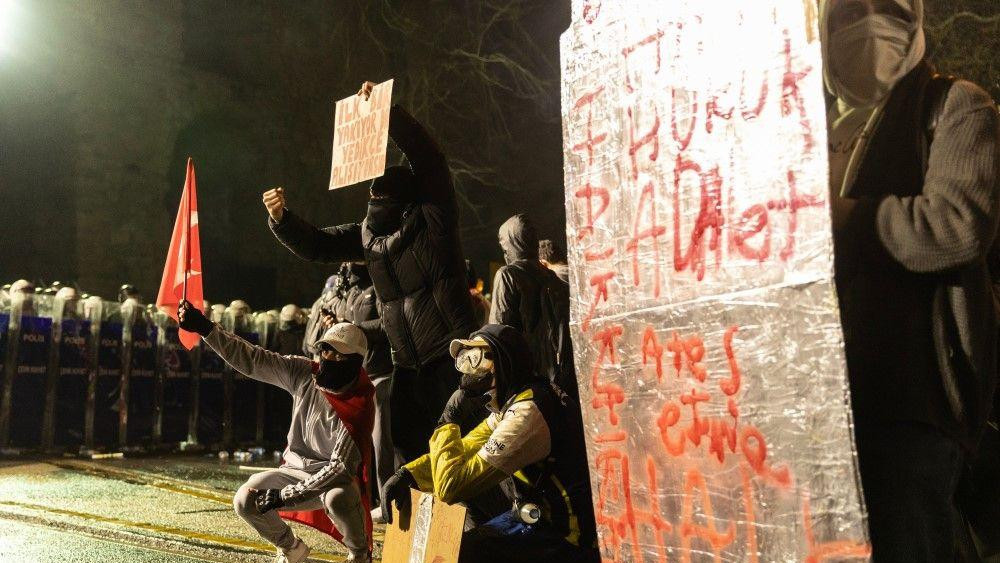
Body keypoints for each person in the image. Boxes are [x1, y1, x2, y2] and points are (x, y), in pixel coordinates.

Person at [821, 0, 1000, 560]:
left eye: (891, 9)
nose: (871, 23)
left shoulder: (955, 107)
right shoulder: (799, 132)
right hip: (821, 400)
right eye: (850, 12)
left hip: (911, 401)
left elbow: (956, 226)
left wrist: (843, 218)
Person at [264, 82, 475, 463]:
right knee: (421, 454)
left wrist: (385, 113)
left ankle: (470, 521)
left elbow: (427, 160)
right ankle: (426, 523)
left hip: (450, 358)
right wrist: (282, 220)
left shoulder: (431, 221)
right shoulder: (373, 233)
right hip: (413, 364)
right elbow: (319, 245)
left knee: (445, 452)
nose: (374, 201)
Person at [380, 324, 598, 563]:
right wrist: (409, 474)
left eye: (479, 362)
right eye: (466, 362)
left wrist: (448, 420)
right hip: (533, 513)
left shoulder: (527, 415)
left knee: (465, 553)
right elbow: (466, 447)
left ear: (505, 364)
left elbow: (451, 487)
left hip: (564, 537)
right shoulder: (520, 399)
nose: (471, 375)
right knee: (468, 532)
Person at [177, 301, 375, 563]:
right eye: (326, 351)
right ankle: (292, 548)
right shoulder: (304, 373)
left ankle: (360, 555)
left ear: (357, 363)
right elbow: (252, 359)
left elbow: (339, 469)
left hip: (333, 481)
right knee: (244, 500)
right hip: (294, 471)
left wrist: (285, 496)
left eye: (340, 356)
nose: (330, 359)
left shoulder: (360, 404)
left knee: (339, 497)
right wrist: (206, 328)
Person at [490, 215, 577, 398]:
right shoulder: (552, 277)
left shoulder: (508, 275)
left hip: (524, 384)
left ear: (513, 243)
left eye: (505, 246)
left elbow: (498, 333)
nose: (505, 252)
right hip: (558, 380)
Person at [303, 273, 344, 360]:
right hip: (324, 350)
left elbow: (309, 326)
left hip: (314, 347)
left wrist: (305, 347)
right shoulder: (339, 302)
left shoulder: (318, 302)